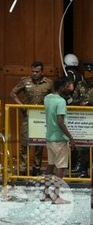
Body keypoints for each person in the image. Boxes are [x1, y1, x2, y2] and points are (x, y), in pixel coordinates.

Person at [10, 60, 52, 176]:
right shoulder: (25, 81)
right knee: (25, 142)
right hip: (27, 117)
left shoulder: (48, 83)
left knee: (39, 143)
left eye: (37, 72)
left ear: (42, 72)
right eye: (33, 71)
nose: (34, 73)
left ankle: (36, 168)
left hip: (41, 118)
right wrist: (21, 106)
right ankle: (22, 168)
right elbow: (13, 93)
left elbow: (54, 96)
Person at [42, 76, 75, 204]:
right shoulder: (61, 101)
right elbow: (60, 121)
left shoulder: (47, 98)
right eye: (67, 86)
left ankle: (45, 193)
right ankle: (56, 196)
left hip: (49, 137)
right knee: (60, 167)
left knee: (50, 166)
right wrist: (70, 137)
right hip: (59, 138)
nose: (69, 89)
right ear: (61, 87)